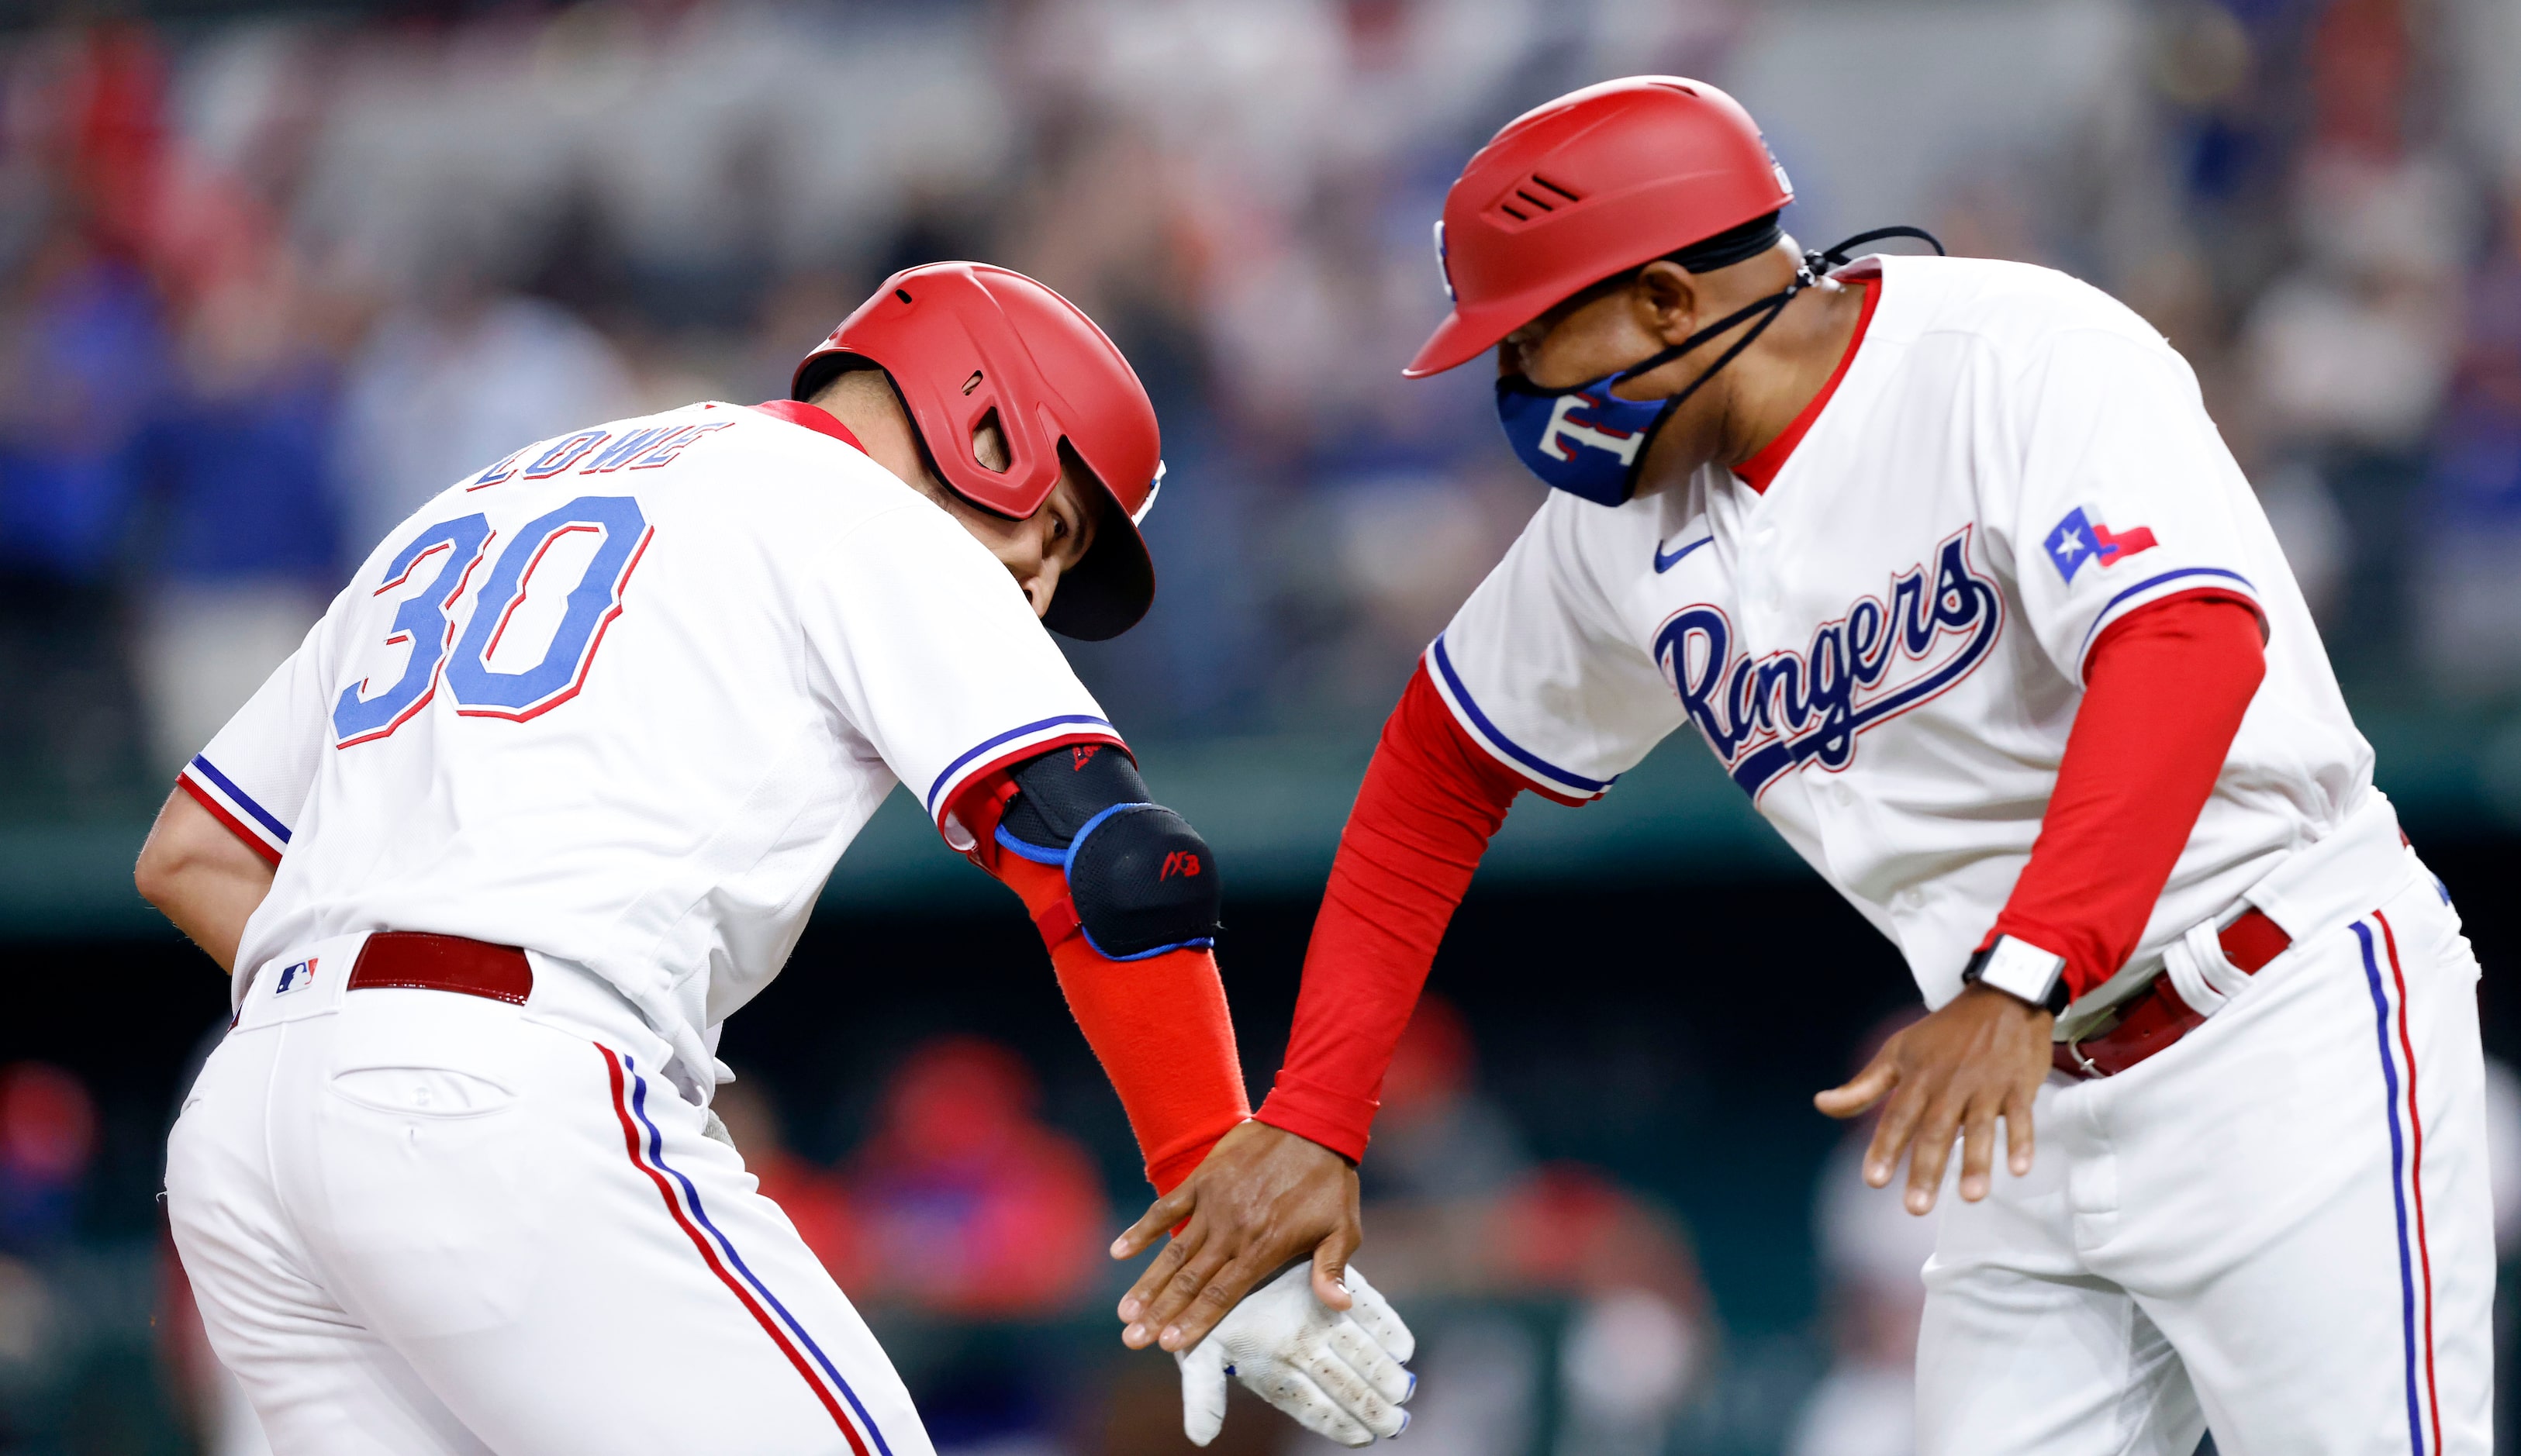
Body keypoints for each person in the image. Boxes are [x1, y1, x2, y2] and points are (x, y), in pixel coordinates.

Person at [1109, 78, 2495, 1455]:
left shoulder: (2014, 353)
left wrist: (2025, 970)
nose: (1515, 386)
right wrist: (1313, 1120)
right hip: (2014, 1095)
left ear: (1664, 301)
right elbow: (1434, 771)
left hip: (2273, 1019)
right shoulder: (1622, 527)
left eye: (1530, 339)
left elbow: (2187, 646)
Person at [137, 262, 1412, 1455]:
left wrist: (368, 1033)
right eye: (1059, 530)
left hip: (246, 1135)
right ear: (987, 430)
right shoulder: (857, 505)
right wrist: (1218, 1201)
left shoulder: (480, 494)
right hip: (510, 1087)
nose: (1037, 580)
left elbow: (192, 852)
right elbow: (1116, 864)